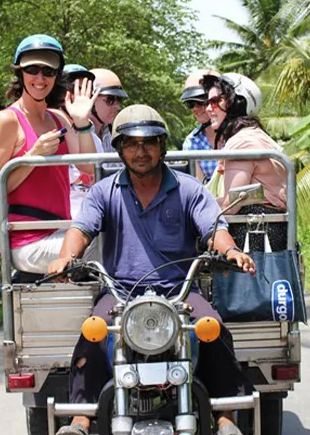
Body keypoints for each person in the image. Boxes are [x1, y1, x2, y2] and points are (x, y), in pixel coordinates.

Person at [47, 105, 256, 435]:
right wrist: (64, 257)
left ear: (162, 146)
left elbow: (213, 228)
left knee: (212, 328)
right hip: (120, 292)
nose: (140, 151)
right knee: (92, 332)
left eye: (148, 143)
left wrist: (229, 250)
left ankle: (227, 415)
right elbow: (82, 229)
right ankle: (81, 420)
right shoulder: (105, 192)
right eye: (130, 143)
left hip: (180, 291)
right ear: (119, 149)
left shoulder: (188, 189)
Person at [0, 34, 99, 274]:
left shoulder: (59, 119)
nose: (40, 78)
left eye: (49, 71)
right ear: (20, 73)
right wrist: (33, 156)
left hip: (62, 230)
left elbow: (89, 167)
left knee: (117, 232)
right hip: (29, 242)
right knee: (109, 245)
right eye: (32, 69)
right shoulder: (8, 121)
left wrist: (82, 122)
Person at [202, 73, 288, 252]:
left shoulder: (244, 141)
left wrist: (193, 208)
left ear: (238, 102)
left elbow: (231, 205)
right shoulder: (253, 134)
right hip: (267, 229)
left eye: (216, 101)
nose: (209, 109)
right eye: (207, 103)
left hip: (256, 234)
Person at [61, 64, 103, 216]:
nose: (80, 96)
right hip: (61, 218)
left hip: (92, 217)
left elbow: (91, 169)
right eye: (74, 88)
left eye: (86, 88)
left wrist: (82, 125)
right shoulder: (50, 130)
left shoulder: (93, 139)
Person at [180, 69, 221, 182]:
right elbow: (199, 185)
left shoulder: (238, 134)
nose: (195, 109)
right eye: (191, 104)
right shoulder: (192, 142)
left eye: (201, 102)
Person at [88, 68, 128, 153]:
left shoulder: (111, 133)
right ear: (90, 97)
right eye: (110, 99)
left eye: (119, 99)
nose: (117, 106)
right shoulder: (74, 133)